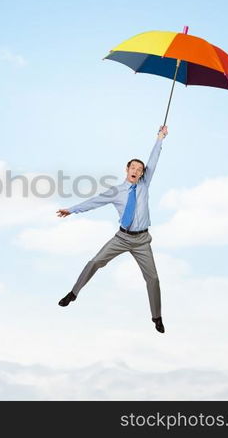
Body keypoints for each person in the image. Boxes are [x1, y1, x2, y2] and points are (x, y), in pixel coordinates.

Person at [55, 125, 168, 333]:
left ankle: (157, 317)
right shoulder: (116, 191)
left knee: (153, 279)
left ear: (143, 173)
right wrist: (71, 210)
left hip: (142, 240)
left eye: (139, 169)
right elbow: (94, 202)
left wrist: (160, 138)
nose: (136, 171)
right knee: (95, 262)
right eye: (132, 168)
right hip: (122, 238)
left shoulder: (144, 185)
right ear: (126, 170)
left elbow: (154, 159)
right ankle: (73, 293)